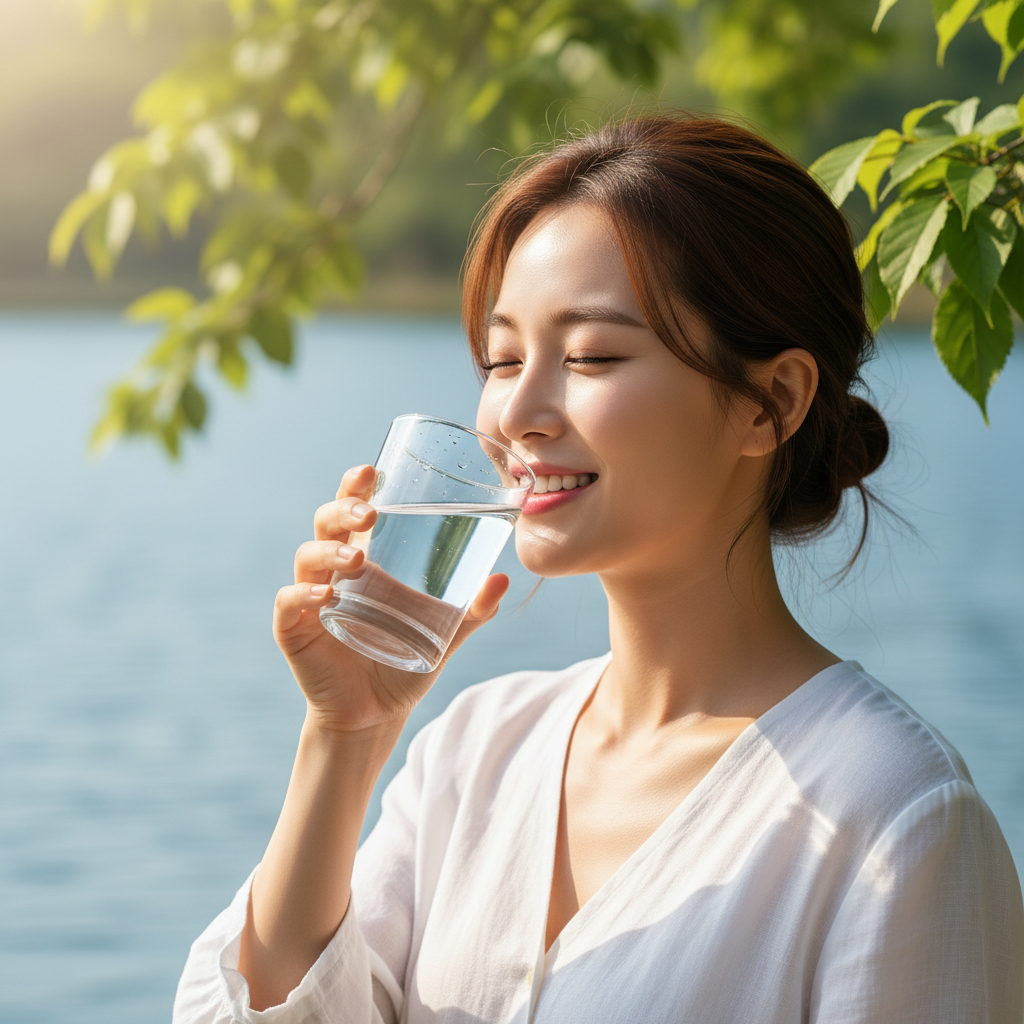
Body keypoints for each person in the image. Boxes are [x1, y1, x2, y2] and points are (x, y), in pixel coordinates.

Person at [173, 116, 1023, 1023]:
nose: (518, 415)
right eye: (503, 360)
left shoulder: (895, 814)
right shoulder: (478, 750)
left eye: (590, 356)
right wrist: (344, 736)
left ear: (769, 404)